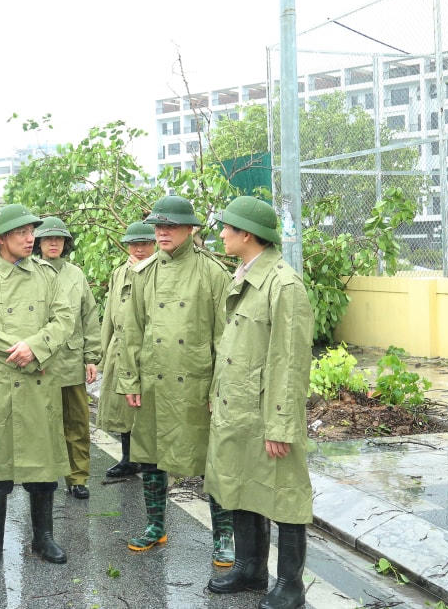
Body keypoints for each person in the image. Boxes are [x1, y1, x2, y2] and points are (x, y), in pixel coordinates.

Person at [205, 196, 314, 609]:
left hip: (268, 411)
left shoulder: (283, 284)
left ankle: (290, 585)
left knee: (285, 495)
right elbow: (230, 344)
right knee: (241, 485)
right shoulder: (245, 274)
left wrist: (281, 426)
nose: (221, 234)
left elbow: (289, 361)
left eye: (227, 228)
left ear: (246, 235)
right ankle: (251, 568)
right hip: (239, 408)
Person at [117, 194, 235, 568]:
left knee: (210, 461)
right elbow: (131, 331)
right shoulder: (145, 272)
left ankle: (223, 538)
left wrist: (220, 388)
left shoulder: (213, 273)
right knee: (151, 456)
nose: (162, 232)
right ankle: (155, 525)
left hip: (196, 384)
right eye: (158, 226)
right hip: (154, 380)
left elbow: (225, 338)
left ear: (190, 229)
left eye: (169, 226)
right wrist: (130, 381)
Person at [0, 204, 75, 568]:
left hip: (39, 378)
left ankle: (43, 536)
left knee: (42, 465)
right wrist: (17, 350)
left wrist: (36, 347)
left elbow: (64, 317)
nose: (32, 239)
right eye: (23, 233)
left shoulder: (46, 273)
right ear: (2, 238)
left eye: (33, 232)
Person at [32, 216, 101, 500]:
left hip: (71, 360)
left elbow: (89, 316)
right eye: (48, 239)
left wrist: (92, 356)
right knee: (39, 423)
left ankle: (77, 477)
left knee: (77, 423)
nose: (53, 243)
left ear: (66, 243)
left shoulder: (75, 275)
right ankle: (39, 477)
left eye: (59, 239)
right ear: (38, 243)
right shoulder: (28, 270)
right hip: (40, 361)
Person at [96, 221, 155, 478]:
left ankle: (151, 459)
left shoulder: (157, 271)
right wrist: (101, 354)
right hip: (120, 345)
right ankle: (128, 457)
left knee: (147, 406)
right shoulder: (119, 272)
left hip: (147, 347)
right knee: (122, 406)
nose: (139, 249)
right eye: (134, 244)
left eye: (144, 243)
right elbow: (110, 313)